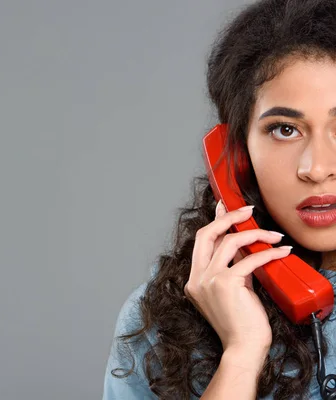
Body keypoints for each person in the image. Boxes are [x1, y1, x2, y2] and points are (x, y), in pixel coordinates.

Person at [102, 1, 336, 399]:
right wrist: (242, 355)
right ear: (236, 156)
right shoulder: (158, 319)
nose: (316, 168)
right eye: (284, 129)